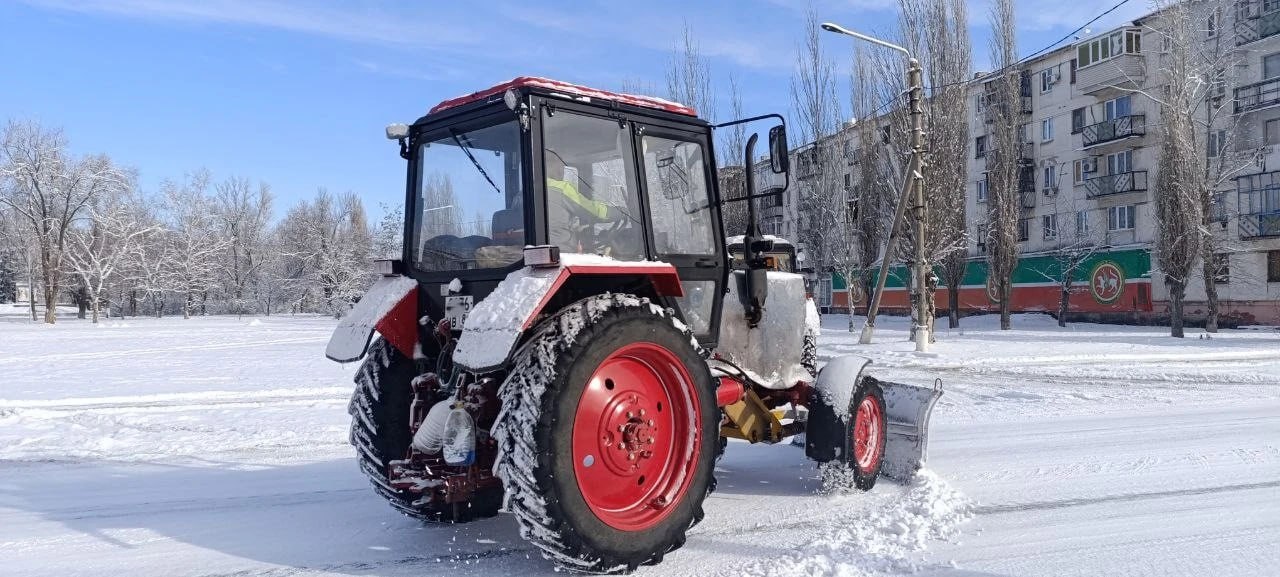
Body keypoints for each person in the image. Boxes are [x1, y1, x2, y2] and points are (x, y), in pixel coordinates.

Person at [544, 151, 622, 251]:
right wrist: (620, 212)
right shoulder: (562, 189)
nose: (562, 172)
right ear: (549, 166)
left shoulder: (525, 193)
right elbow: (594, 211)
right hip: (561, 253)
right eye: (560, 167)